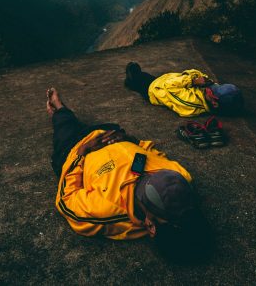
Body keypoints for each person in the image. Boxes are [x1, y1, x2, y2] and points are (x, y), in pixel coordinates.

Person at [47, 87, 212, 259]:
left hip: (74, 147)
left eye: (148, 187)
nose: (153, 174)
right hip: (110, 133)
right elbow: (152, 154)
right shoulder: (181, 178)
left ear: (151, 226)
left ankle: (58, 110)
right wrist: (130, 140)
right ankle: (63, 113)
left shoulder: (108, 210)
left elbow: (67, 198)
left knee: (64, 124)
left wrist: (82, 152)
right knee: (88, 124)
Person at [124, 62, 243, 117]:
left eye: (213, 91)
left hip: (154, 91)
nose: (211, 88)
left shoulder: (192, 103)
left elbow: (169, 86)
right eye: (218, 86)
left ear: (215, 104)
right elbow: (193, 72)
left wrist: (193, 81)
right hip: (162, 80)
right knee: (145, 76)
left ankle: (130, 81)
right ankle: (135, 75)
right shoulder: (210, 92)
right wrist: (201, 79)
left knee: (138, 82)